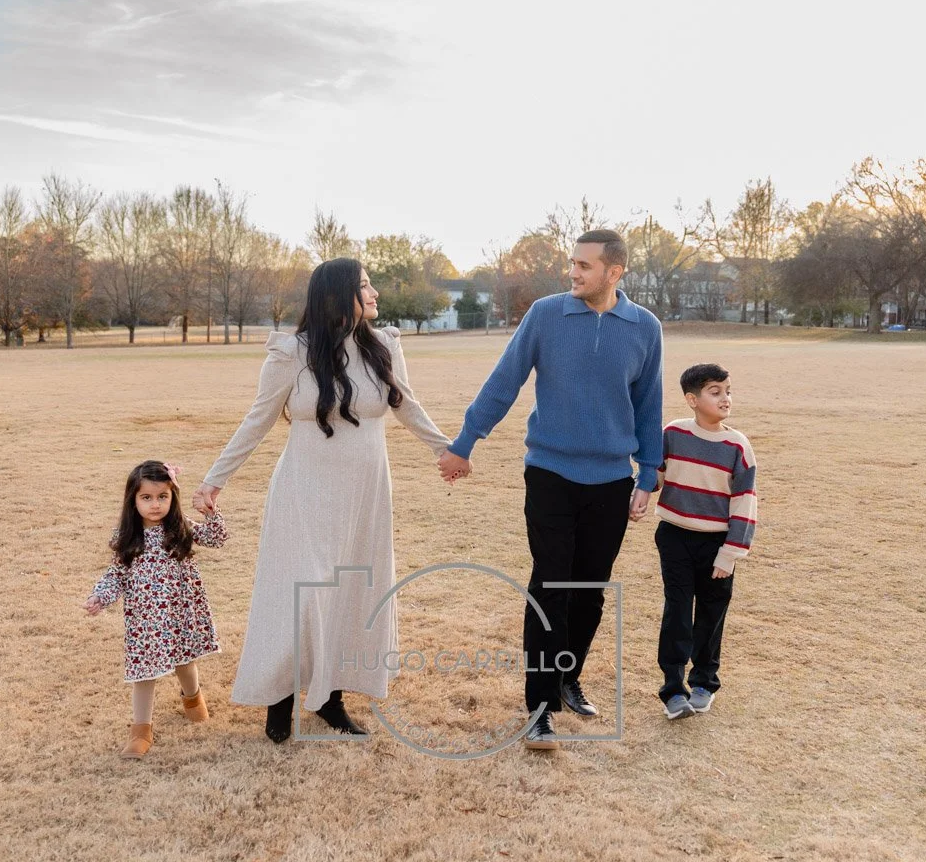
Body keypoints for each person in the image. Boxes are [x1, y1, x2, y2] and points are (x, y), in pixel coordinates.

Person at [192, 258, 457, 744]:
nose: (375, 293)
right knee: (299, 593)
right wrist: (214, 480)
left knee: (350, 591)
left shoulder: (383, 346)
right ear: (337, 296)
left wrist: (448, 449)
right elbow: (258, 418)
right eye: (364, 286)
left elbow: (405, 404)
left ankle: (331, 698)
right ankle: (281, 697)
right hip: (304, 493)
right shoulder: (292, 352)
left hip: (365, 494)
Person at [438, 229, 663, 750]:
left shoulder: (645, 328)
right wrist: (465, 442)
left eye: (585, 266)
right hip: (550, 474)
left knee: (589, 589)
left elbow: (648, 404)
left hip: (612, 480)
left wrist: (648, 475)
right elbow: (504, 381)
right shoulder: (545, 314)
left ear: (615, 272)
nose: (574, 273)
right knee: (550, 585)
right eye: (573, 264)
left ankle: (568, 677)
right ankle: (539, 707)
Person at [84, 460, 230, 758]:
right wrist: (100, 596)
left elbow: (218, 539)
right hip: (146, 620)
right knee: (144, 673)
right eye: (146, 498)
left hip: (179, 613)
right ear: (133, 500)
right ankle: (141, 731)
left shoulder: (181, 527)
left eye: (162, 497)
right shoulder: (127, 537)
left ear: (172, 498)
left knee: (184, 662)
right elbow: (116, 574)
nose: (155, 505)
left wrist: (211, 512)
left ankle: (192, 698)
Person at [652, 363, 757, 719]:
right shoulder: (673, 433)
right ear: (692, 400)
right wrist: (639, 484)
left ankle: (703, 682)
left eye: (728, 390)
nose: (725, 398)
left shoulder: (737, 445)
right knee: (678, 611)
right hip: (675, 536)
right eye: (715, 392)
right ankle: (672, 688)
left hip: (717, 544)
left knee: (711, 614)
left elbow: (745, 501)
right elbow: (656, 477)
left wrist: (730, 553)